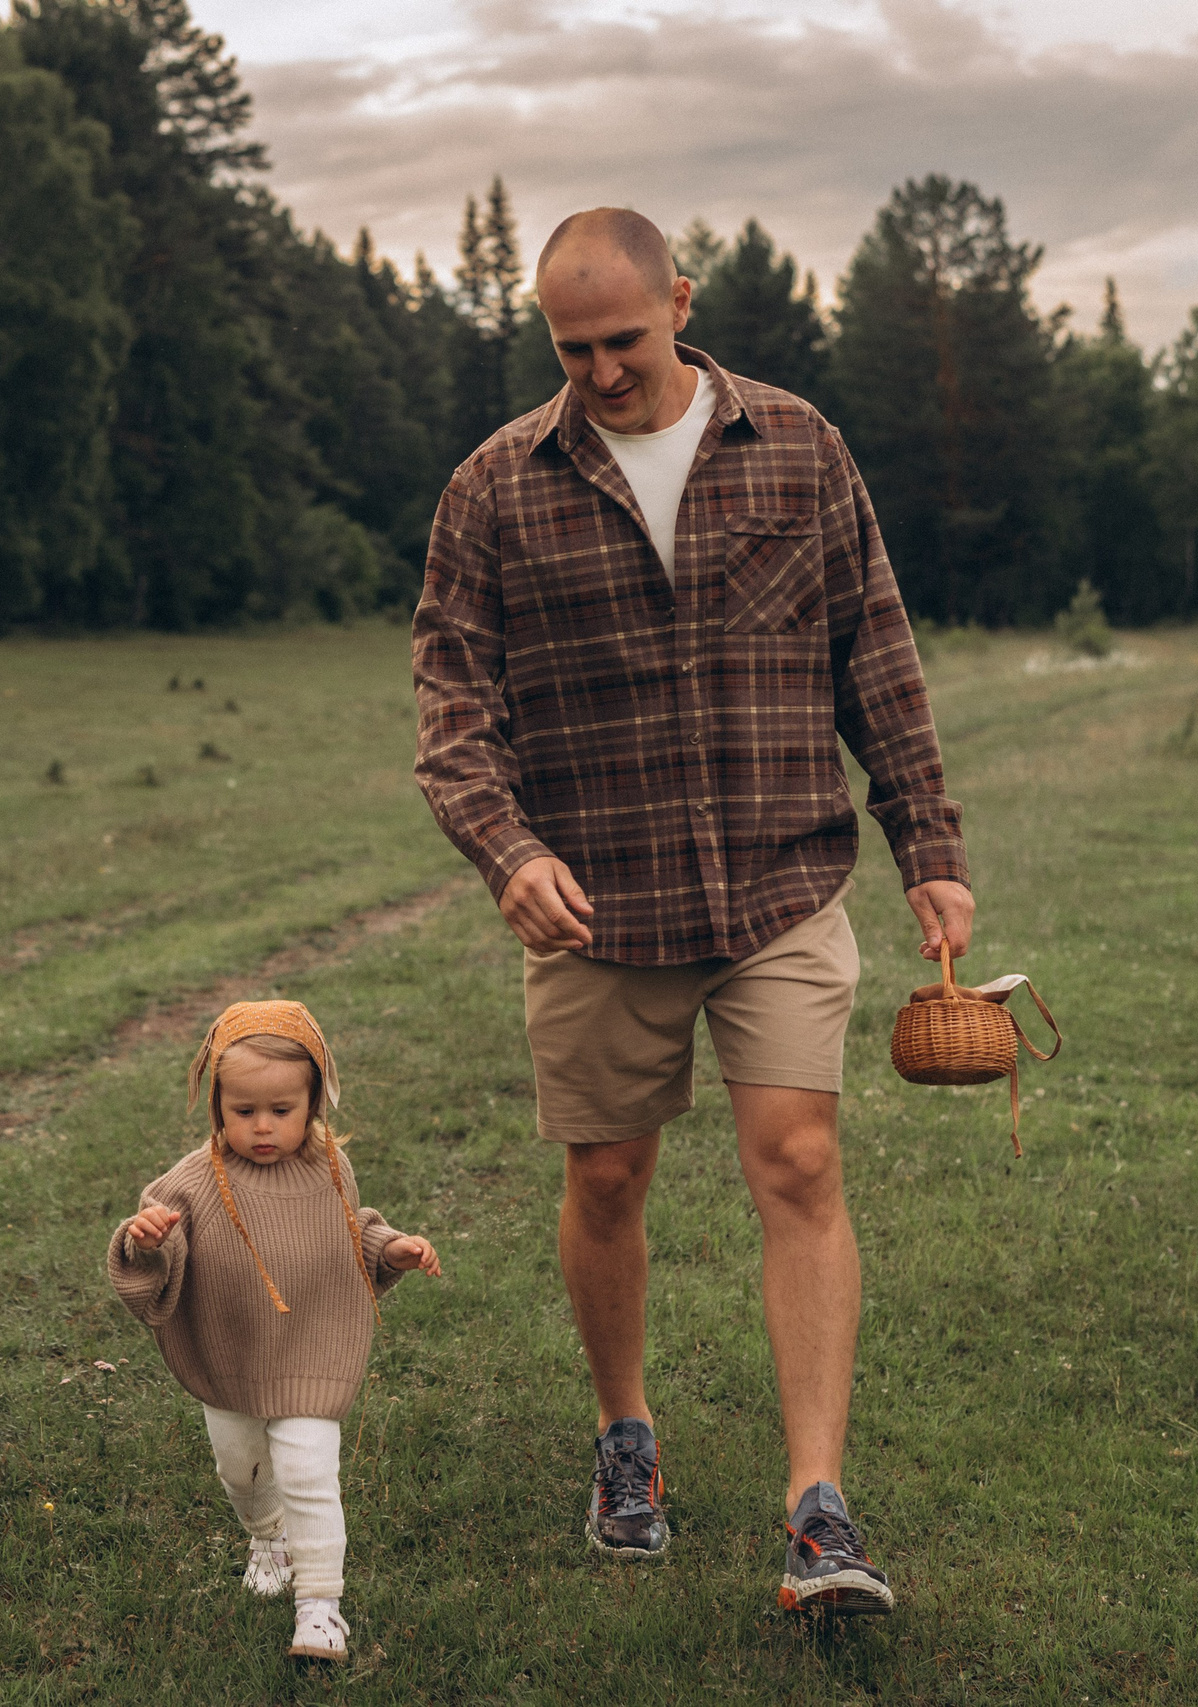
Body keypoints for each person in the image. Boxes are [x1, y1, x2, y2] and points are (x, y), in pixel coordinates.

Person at [411, 209, 974, 1615]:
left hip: (780, 877)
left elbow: (875, 651)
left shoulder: (799, 445)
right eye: (572, 349)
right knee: (607, 1178)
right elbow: (451, 708)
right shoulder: (493, 486)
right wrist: (505, 852)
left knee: (799, 1161)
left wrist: (927, 841)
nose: (602, 371)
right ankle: (626, 1436)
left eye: (623, 339)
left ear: (680, 300)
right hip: (597, 905)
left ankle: (818, 1507)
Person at [107, 1001, 442, 1662]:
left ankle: (320, 1609)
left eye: (281, 1110)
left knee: (310, 1471)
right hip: (230, 1353)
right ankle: (268, 1534)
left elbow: (346, 1232)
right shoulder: (193, 1182)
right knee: (242, 1470)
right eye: (243, 1110)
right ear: (216, 1105)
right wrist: (144, 1242)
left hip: (311, 1351)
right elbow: (159, 1259)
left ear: (313, 1103)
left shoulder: (329, 1168)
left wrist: (388, 1249)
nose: (262, 1126)